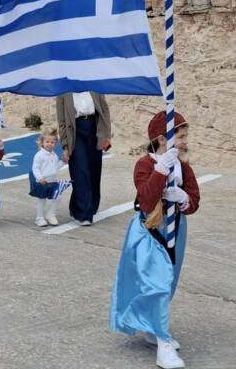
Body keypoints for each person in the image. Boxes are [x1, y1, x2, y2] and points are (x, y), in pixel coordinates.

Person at [109, 111, 200, 369]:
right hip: (150, 233)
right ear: (163, 139)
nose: (184, 142)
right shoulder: (145, 165)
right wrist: (161, 170)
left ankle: (152, 328)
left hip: (176, 231)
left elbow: (194, 202)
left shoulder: (184, 167)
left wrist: (182, 197)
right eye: (180, 137)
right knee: (156, 284)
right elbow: (147, 200)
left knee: (167, 284)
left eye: (184, 137)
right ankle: (164, 345)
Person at [56, 91, 111, 225]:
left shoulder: (93, 85)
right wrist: (65, 145)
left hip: (94, 128)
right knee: (80, 170)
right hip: (75, 131)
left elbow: (104, 110)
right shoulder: (63, 91)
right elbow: (62, 121)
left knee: (94, 170)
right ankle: (84, 214)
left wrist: (106, 135)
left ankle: (85, 207)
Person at [29, 126, 67, 227]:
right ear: (42, 142)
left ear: (55, 144)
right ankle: (39, 218)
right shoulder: (39, 155)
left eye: (52, 142)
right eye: (47, 142)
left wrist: (62, 162)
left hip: (53, 182)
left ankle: (51, 213)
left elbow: (55, 167)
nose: (49, 144)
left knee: (58, 197)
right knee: (42, 200)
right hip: (43, 182)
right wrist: (40, 178)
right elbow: (35, 169)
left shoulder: (54, 155)